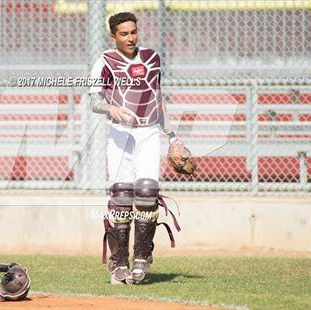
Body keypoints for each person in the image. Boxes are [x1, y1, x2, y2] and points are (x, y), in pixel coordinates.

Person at [89, 12, 178, 285]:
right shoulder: (104, 61)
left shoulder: (152, 58)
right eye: (124, 33)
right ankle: (118, 262)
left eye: (133, 32)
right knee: (122, 198)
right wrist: (110, 107)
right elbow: (94, 102)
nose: (130, 37)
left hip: (149, 131)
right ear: (113, 36)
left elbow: (158, 99)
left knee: (148, 192)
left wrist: (173, 137)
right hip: (119, 134)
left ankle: (142, 257)